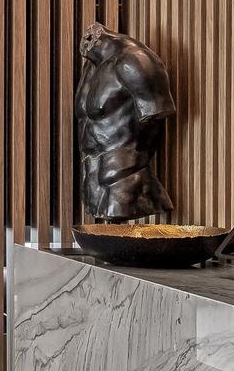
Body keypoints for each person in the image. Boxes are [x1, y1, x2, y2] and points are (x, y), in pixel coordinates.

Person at [74, 22, 175, 221]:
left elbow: (155, 118)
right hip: (92, 185)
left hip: (126, 179)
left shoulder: (134, 61)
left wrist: (131, 166)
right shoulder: (91, 67)